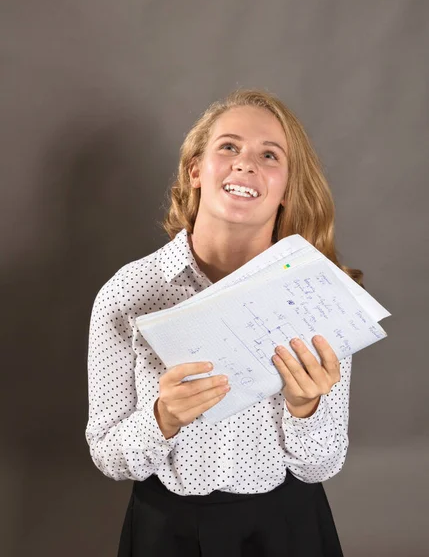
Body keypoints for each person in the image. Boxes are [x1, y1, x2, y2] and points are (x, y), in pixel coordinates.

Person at [85, 88, 363, 556]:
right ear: (196, 170)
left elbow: (323, 464)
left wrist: (305, 408)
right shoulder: (129, 293)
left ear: (286, 187)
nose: (245, 164)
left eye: (269, 155)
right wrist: (163, 418)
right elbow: (110, 455)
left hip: (288, 530)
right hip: (166, 532)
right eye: (228, 147)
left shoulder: (318, 294)